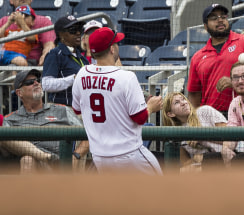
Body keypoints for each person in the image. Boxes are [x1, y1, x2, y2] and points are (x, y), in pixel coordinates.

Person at [72, 27, 163, 174]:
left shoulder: (82, 74)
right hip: (129, 155)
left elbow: (77, 109)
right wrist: (151, 107)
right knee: (161, 191)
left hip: (100, 157)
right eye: (116, 43)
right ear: (112, 49)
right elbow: (139, 118)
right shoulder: (126, 77)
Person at [186, 4, 244, 114]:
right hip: (211, 119)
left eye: (223, 16)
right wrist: (196, 120)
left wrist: (236, 81)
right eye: (214, 18)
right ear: (205, 26)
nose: (220, 20)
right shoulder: (197, 57)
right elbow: (194, 94)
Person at [2, 69, 89, 173]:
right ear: (19, 92)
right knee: (27, 160)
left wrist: (76, 155)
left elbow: (88, 134)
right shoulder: (11, 119)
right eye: (30, 82)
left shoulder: (62, 110)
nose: (36, 83)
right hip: (35, 166)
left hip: (62, 165)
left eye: (38, 80)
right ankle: (46, 160)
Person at [162, 92, 230, 171]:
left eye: (183, 99)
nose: (183, 103)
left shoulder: (205, 111)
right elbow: (186, 163)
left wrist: (202, 137)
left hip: (226, 155)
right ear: (170, 114)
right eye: (177, 103)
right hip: (203, 165)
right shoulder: (176, 133)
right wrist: (195, 159)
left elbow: (229, 138)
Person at [0, 0, 56, 66]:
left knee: (14, 66)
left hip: (30, 64)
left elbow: (49, 44)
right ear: (11, 0)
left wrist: (46, 56)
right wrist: (8, 23)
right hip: (4, 59)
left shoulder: (43, 21)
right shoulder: (4, 20)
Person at [42, 15, 89, 107]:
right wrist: (73, 79)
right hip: (63, 109)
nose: (78, 33)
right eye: (73, 30)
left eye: (80, 29)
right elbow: (46, 84)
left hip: (82, 108)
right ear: (61, 34)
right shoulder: (55, 54)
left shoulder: (82, 57)